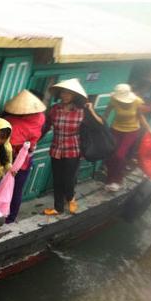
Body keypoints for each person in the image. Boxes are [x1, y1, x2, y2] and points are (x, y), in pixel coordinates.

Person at [42, 78, 103, 215]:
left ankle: (71, 198)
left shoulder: (82, 111)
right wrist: (35, 141)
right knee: (57, 180)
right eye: (63, 92)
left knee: (68, 180)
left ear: (74, 96)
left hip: (73, 150)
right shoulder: (54, 109)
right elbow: (46, 126)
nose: (65, 95)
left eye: (69, 93)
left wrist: (92, 110)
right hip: (56, 150)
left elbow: (99, 124)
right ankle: (58, 208)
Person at [1, 90, 46, 223]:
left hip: (10, 159)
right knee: (16, 190)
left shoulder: (10, 121)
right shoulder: (41, 117)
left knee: (1, 188)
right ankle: (10, 218)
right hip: (25, 160)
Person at [103, 84, 151, 192]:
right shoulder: (113, 99)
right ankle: (110, 180)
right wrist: (100, 125)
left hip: (131, 131)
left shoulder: (137, 101)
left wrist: (149, 130)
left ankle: (117, 180)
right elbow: (106, 114)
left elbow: (140, 116)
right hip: (116, 129)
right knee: (110, 156)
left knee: (119, 155)